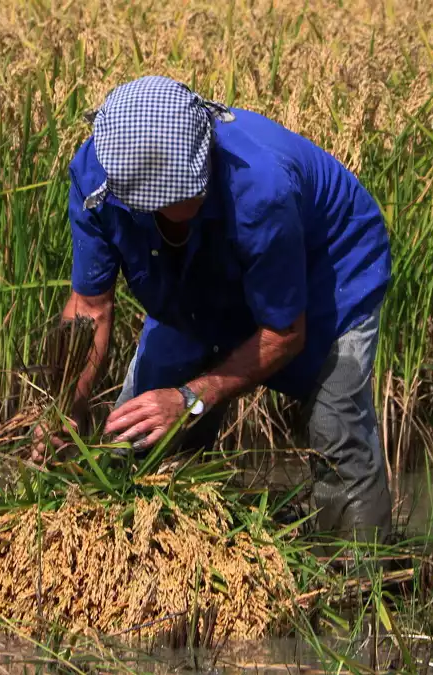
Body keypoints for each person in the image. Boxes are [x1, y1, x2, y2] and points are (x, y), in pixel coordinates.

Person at [39, 74, 393, 543]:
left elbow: (284, 334)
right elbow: (89, 307)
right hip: (199, 283)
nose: (195, 190)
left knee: (336, 428)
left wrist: (190, 398)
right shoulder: (98, 176)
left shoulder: (260, 188)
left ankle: (363, 579)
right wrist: (65, 408)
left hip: (328, 269)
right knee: (137, 441)